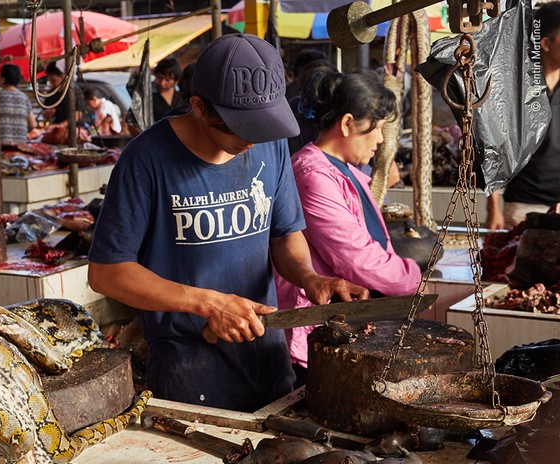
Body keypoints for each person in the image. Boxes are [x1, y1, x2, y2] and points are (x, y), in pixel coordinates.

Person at [87, 34, 368, 412]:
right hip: (190, 371)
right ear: (199, 107)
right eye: (240, 128)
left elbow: (284, 234)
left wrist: (308, 276)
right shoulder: (146, 159)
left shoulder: (270, 143)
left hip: (267, 359)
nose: (253, 142)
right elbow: (106, 273)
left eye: (262, 128)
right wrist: (207, 304)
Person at [275, 71, 421, 378]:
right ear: (347, 123)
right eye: (376, 128)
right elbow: (356, 257)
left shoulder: (345, 170)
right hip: (317, 328)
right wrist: (412, 277)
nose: (380, 139)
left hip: (342, 323)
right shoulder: (312, 175)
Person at [486, 2, 560, 229]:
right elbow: (494, 148)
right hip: (522, 204)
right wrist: (493, 208)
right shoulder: (517, 87)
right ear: (545, 43)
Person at [0, 63, 36, 147]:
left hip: (0, 145)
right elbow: (32, 124)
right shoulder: (24, 97)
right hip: (21, 146)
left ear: (3, 79)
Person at [151, 57, 182, 122]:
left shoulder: (182, 96)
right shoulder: (149, 97)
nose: (162, 83)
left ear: (175, 80)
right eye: (160, 77)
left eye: (167, 80)